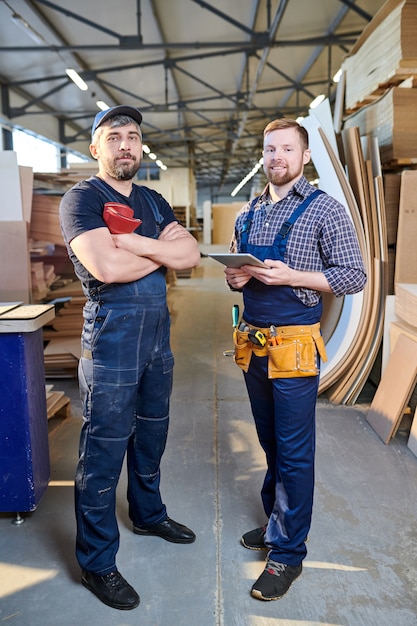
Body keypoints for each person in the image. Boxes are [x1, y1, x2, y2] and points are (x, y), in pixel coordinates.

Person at [59, 105, 201, 611]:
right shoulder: (82, 199)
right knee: (103, 446)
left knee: (152, 433)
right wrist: (157, 250)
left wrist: (135, 243)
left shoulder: (151, 198)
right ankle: (98, 563)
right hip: (113, 334)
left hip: (158, 336)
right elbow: (106, 266)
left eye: (133, 136)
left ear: (141, 147)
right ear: (96, 148)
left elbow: (190, 256)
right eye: (114, 136)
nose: (125, 145)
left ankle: (147, 513)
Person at [225, 118, 366, 601]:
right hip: (255, 343)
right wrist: (237, 279)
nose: (277, 157)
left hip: (295, 345)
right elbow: (236, 266)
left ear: (304, 157)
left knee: (294, 450)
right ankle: (275, 525)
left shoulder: (325, 210)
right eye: (270, 149)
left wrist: (294, 278)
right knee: (270, 442)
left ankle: (287, 553)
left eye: (287, 149)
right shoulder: (248, 212)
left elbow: (353, 276)